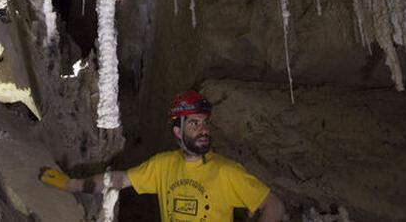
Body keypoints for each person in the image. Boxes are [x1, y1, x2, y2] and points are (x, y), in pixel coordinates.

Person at [39, 90, 284, 221]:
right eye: (195, 124)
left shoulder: (226, 171)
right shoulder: (163, 165)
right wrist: (70, 184)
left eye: (205, 123)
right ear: (177, 130)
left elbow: (273, 206)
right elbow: (117, 180)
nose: (204, 130)